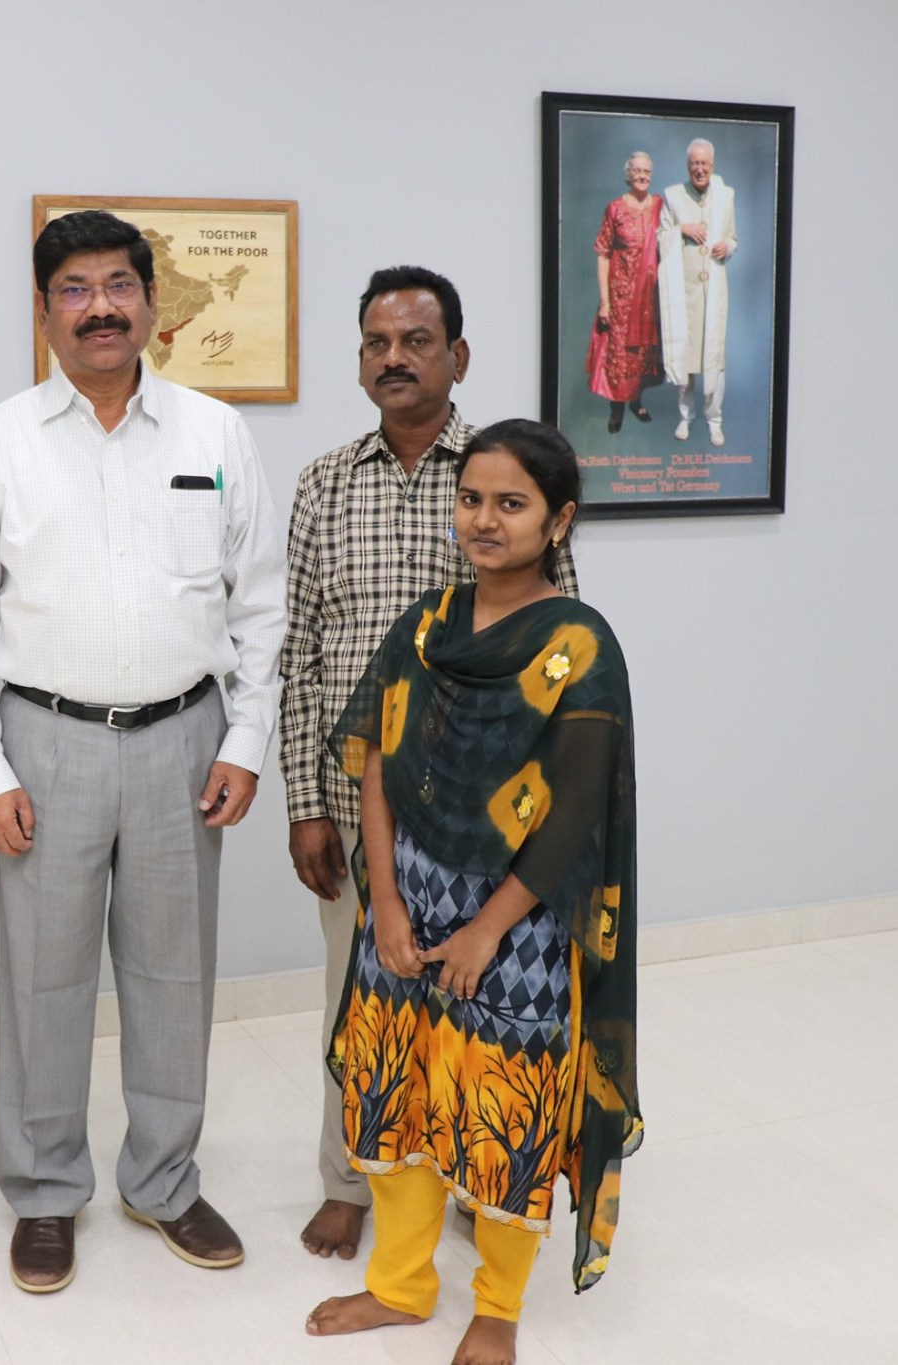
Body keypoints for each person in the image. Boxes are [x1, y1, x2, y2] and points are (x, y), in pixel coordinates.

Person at [0, 209, 286, 1295]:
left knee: (174, 977)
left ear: (152, 303)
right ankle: (44, 1190)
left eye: (119, 285)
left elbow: (260, 604)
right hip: (43, 743)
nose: (100, 308)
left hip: (186, 741)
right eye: (74, 290)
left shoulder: (215, 434)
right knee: (45, 980)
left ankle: (163, 1179)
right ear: (43, 313)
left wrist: (245, 740)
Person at [305, 419, 639, 1365]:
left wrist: (489, 930)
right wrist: (385, 902)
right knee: (394, 1091)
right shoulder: (428, 623)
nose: (484, 520)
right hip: (405, 909)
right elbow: (377, 761)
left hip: (517, 927)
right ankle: (401, 1284)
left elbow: (573, 813)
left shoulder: (578, 644)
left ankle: (497, 1306)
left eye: (511, 504)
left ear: (558, 520)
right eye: (471, 499)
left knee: (504, 1112)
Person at [281, 267, 579, 1263]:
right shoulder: (324, 481)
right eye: (376, 342)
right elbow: (299, 652)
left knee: (471, 998)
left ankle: (464, 1171)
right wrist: (304, 800)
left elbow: (556, 645)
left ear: (458, 355)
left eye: (415, 341)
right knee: (358, 998)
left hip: (483, 816)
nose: (393, 358)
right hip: (354, 798)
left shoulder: (501, 472)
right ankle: (349, 1181)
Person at [658, 138, 739, 446]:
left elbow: (733, 238)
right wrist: (682, 230)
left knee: (713, 360)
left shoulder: (725, 196)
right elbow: (660, 236)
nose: (699, 169)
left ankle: (714, 420)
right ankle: (685, 416)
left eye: (704, 163)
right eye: (694, 163)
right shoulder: (673, 196)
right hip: (684, 292)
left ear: (712, 166)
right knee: (685, 356)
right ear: (688, 166)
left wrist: (727, 246)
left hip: (714, 293)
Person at [591, 153, 664, 433]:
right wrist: (605, 303)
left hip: (650, 298)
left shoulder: (660, 206)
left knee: (643, 355)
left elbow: (673, 237)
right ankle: (617, 408)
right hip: (621, 298)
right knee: (620, 357)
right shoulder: (615, 209)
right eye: (637, 171)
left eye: (647, 171)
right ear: (628, 175)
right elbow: (602, 254)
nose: (642, 175)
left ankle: (636, 401)